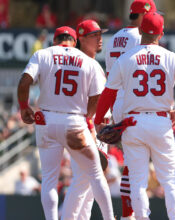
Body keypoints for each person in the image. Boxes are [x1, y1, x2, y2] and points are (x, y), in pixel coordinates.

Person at [94, 12, 175, 220]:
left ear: (141, 30)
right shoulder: (170, 57)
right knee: (170, 178)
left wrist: (99, 120)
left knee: (137, 181)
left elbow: (109, 93)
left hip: (133, 122)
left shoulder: (126, 58)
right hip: (161, 121)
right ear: (161, 34)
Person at [17, 26, 114, 220]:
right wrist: (88, 115)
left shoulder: (43, 54)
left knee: (49, 180)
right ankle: (109, 218)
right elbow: (98, 96)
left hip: (46, 120)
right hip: (74, 121)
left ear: (55, 40)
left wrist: (23, 106)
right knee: (95, 174)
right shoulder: (88, 61)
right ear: (75, 40)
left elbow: (24, 81)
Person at [104, 0, 156, 219]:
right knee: (138, 166)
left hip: (118, 102)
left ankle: (128, 214)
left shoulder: (114, 38)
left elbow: (110, 78)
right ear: (144, 16)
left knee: (132, 163)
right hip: (135, 103)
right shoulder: (141, 38)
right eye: (152, 16)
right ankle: (130, 215)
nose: (154, 21)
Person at [61, 20, 109, 220]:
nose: (99, 38)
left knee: (89, 185)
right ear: (81, 38)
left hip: (84, 125)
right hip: (87, 126)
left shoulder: (77, 62)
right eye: (94, 35)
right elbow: (94, 102)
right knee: (83, 180)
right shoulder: (86, 63)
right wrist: (92, 124)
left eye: (100, 34)